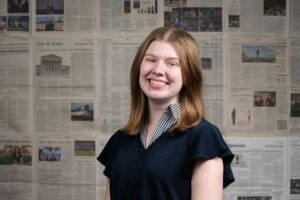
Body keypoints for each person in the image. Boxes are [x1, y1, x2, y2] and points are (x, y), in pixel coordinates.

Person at [98, 27, 235, 200]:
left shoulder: (203, 138)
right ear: (139, 67)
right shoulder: (120, 140)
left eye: (172, 63)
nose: (157, 70)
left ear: (187, 76)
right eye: (150, 60)